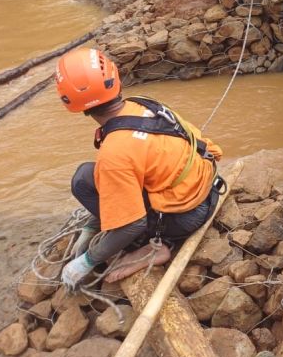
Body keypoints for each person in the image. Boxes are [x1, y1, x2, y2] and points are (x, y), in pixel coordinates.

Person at [56, 48, 225, 289]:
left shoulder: (114, 152)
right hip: (209, 189)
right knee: (93, 174)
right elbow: (205, 147)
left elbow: (132, 224)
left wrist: (87, 261)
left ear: (68, 101)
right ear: (115, 80)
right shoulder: (145, 105)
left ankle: (156, 246)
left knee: (83, 180)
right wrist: (94, 224)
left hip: (186, 217)